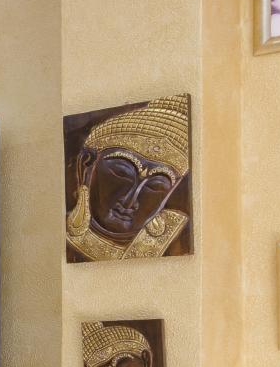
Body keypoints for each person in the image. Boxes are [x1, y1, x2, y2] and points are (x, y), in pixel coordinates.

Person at [66, 96, 192, 262]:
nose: (130, 201)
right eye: (122, 173)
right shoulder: (52, 230)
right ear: (86, 165)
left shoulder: (180, 237)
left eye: (155, 186)